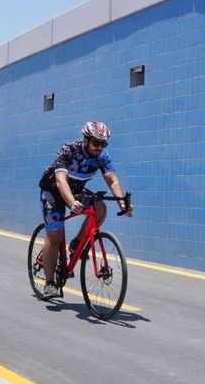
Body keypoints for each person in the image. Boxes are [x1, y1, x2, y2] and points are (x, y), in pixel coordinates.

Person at [35, 121, 132, 299]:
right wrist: (71, 203)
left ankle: (76, 244)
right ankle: (49, 283)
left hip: (75, 191)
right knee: (55, 234)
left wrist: (122, 204)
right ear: (85, 140)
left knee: (99, 208)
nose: (99, 147)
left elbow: (112, 180)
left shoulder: (102, 157)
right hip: (53, 191)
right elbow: (61, 181)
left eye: (103, 144)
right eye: (96, 142)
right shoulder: (67, 151)